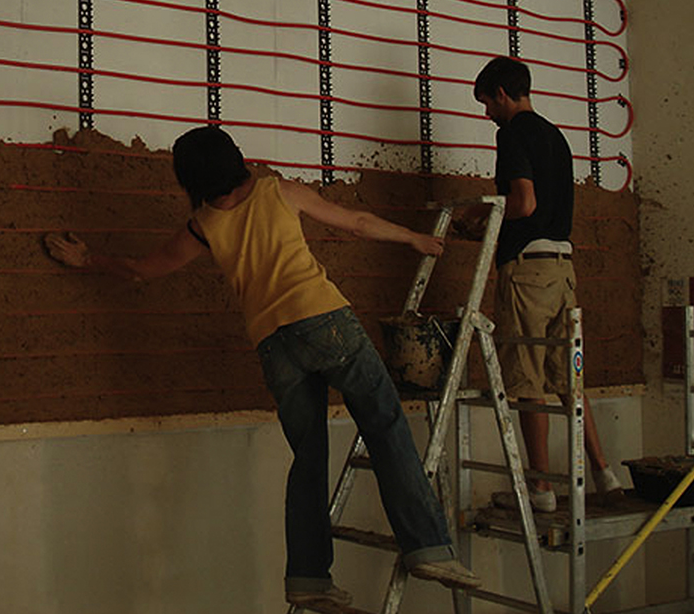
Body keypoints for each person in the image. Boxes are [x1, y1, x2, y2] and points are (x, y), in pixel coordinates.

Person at [45, 125, 480, 614]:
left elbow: (143, 269)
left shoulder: (203, 225)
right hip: (324, 321)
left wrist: (88, 260)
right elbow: (355, 222)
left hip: (274, 346)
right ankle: (427, 547)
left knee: (308, 458)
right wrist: (412, 238)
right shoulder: (277, 190)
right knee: (383, 422)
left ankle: (309, 578)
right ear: (233, 157)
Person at [466, 56, 624, 514]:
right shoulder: (556, 137)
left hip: (528, 270)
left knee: (528, 380)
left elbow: (524, 203)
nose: (487, 115)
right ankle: (605, 475)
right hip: (562, 267)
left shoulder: (512, 133)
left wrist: (481, 219)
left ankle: (540, 490)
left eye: (486, 104)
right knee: (570, 380)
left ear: (500, 94)